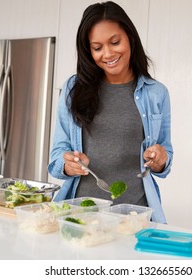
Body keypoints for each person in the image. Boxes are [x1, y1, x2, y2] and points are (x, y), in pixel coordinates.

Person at [47, 1, 173, 223]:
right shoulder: (72, 89)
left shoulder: (156, 93)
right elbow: (57, 155)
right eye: (97, 48)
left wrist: (159, 160)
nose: (107, 53)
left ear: (130, 38)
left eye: (115, 42)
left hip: (135, 214)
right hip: (81, 214)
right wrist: (68, 164)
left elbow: (164, 159)